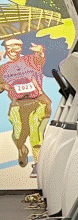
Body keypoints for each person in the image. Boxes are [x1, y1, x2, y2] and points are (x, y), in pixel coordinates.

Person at [0, 38, 51, 172]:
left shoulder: (30, 60)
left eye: (16, 46)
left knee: (35, 131)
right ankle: (22, 148)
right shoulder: (3, 69)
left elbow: (40, 58)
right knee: (17, 134)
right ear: (5, 49)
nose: (12, 49)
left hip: (38, 102)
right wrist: (3, 85)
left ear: (21, 48)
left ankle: (38, 164)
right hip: (17, 104)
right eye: (9, 46)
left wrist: (40, 51)